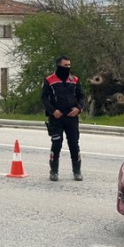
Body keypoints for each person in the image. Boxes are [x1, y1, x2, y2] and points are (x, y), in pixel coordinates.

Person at [41, 54, 87, 182]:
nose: (68, 67)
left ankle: (77, 171)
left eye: (69, 65)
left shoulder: (75, 80)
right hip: (56, 118)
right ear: (58, 65)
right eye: (65, 65)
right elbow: (44, 98)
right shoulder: (50, 80)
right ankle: (54, 171)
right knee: (56, 143)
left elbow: (82, 96)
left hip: (71, 118)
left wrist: (78, 108)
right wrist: (53, 111)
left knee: (74, 144)